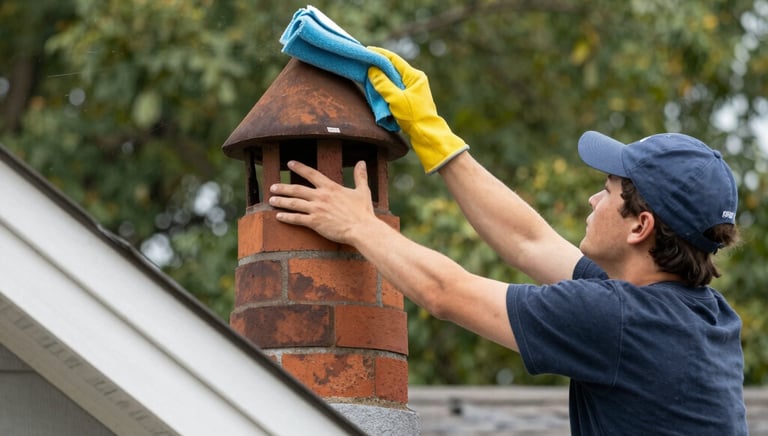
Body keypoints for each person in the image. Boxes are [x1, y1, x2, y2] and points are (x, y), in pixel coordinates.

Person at [268, 47, 748, 434]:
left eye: (606, 192)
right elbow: (529, 241)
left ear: (640, 226)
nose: (591, 200)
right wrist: (431, 132)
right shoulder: (703, 316)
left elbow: (446, 294)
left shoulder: (618, 319)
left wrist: (358, 225)